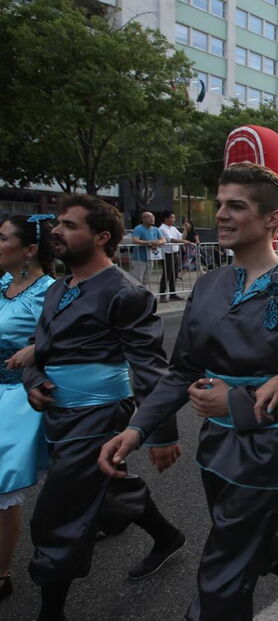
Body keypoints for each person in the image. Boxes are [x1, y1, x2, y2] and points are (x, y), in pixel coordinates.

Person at [99, 163, 278, 620]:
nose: (222, 215)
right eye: (220, 204)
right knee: (259, 539)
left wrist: (238, 401)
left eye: (236, 206)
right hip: (213, 447)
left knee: (223, 569)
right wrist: (137, 429)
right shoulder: (209, 284)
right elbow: (182, 370)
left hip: (264, 449)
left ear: (273, 218)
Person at [24, 195, 183, 621]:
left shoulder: (124, 292)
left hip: (98, 417)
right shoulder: (58, 287)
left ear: (101, 237)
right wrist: (33, 380)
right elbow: (40, 348)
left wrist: (161, 432)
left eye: (69, 225)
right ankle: (167, 536)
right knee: (108, 487)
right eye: (57, 223)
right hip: (58, 416)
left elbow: (151, 367)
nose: (56, 231)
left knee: (56, 515)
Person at [0, 215, 56, 604]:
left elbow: (73, 338)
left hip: (20, 395)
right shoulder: (1, 284)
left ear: (29, 250)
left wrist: (37, 349)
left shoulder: (50, 292)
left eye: (3, 238)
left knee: (3, 484)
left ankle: (1, 573)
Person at [158, 212, 192, 302]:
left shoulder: (173, 228)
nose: (174, 219)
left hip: (175, 252)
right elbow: (171, 239)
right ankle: (162, 295)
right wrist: (184, 242)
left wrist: (185, 229)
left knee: (174, 274)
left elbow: (182, 237)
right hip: (167, 253)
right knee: (167, 274)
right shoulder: (162, 228)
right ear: (166, 219)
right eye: (172, 217)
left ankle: (173, 294)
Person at [130, 211, 164, 287]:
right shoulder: (138, 228)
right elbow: (135, 240)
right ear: (143, 219)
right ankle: (134, 293)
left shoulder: (156, 229)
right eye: (149, 217)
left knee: (146, 279)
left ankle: (144, 292)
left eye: (153, 216)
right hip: (139, 258)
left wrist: (157, 243)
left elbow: (163, 240)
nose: (152, 218)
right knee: (137, 279)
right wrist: (149, 243)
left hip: (150, 258)